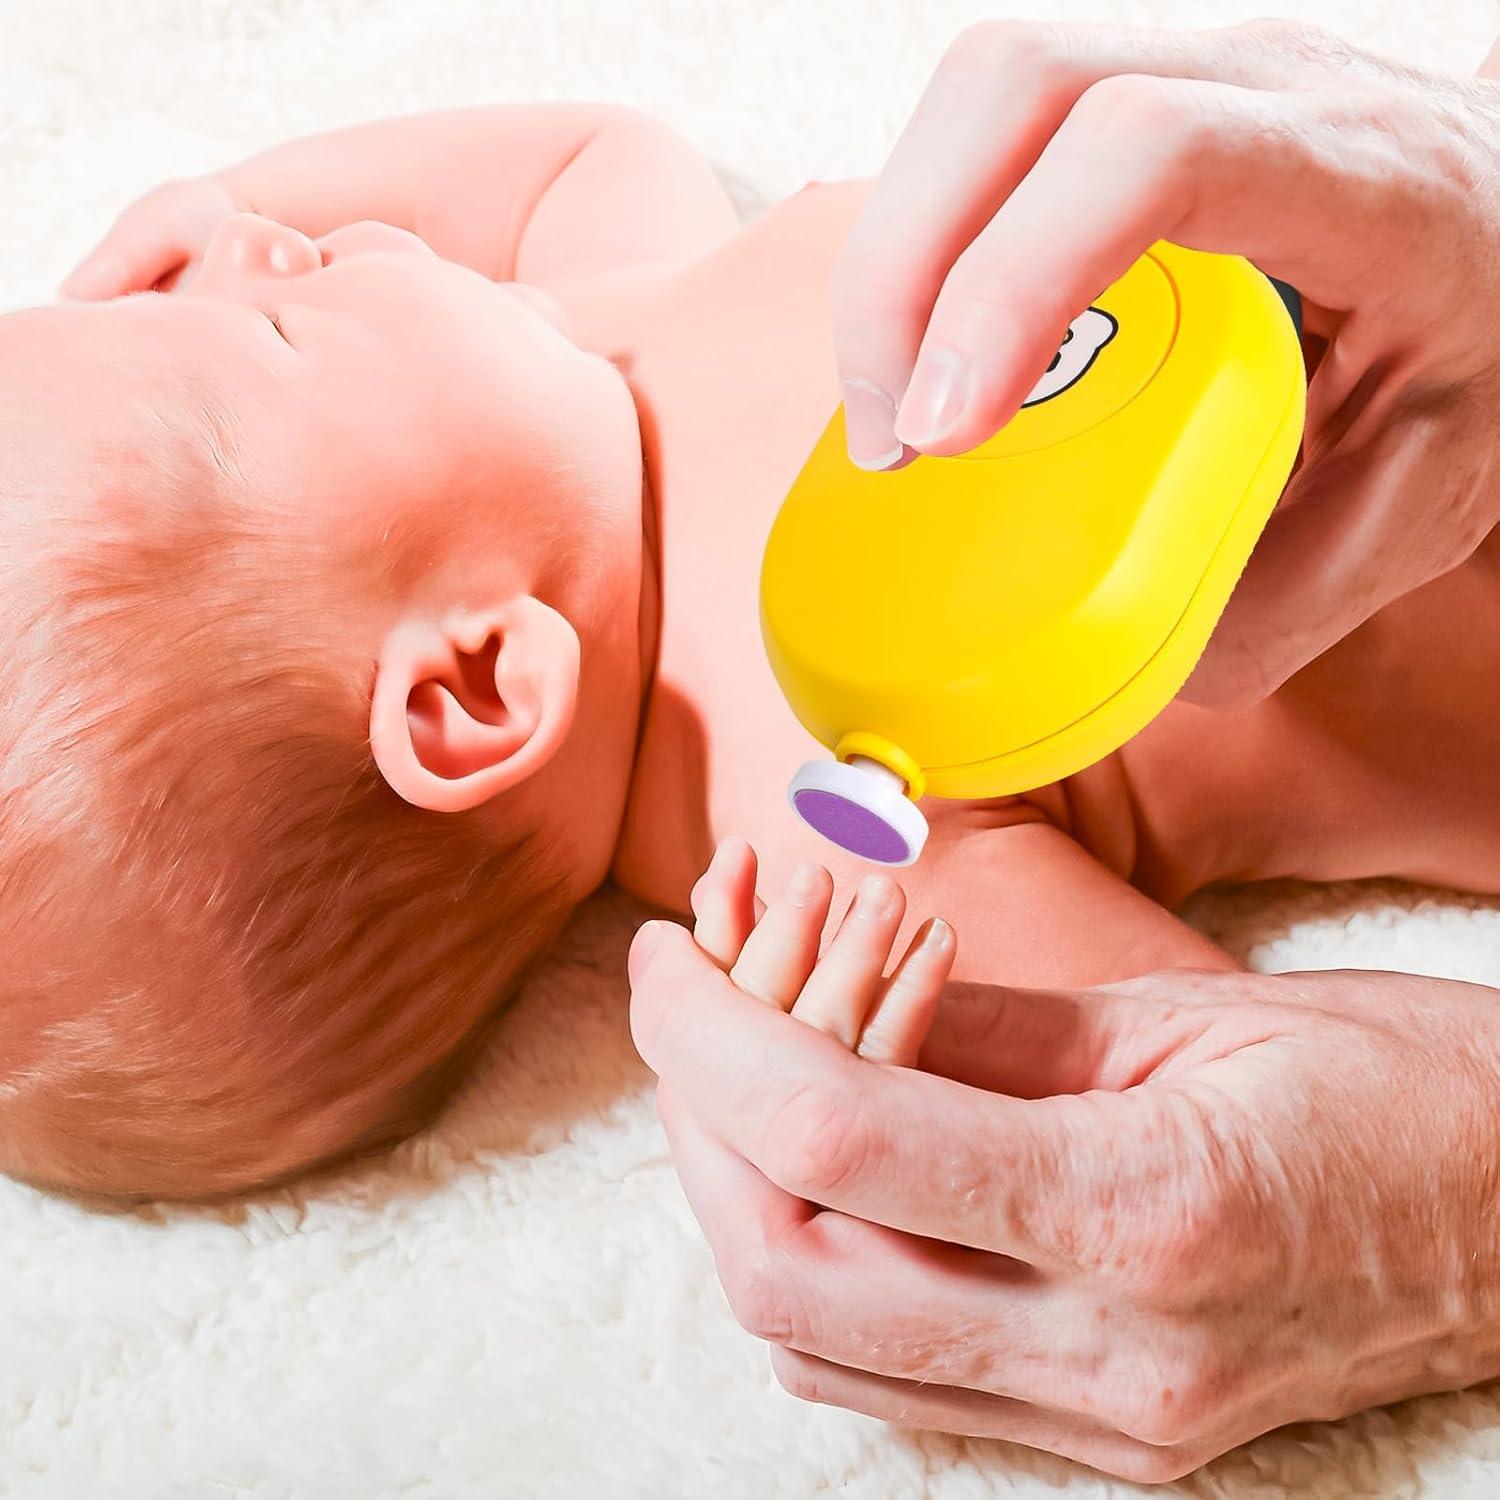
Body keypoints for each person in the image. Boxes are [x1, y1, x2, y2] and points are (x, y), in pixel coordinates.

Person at [624, 17, 1500, 1482]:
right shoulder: (828, 816)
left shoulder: (607, 306)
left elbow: (582, 157)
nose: (279, 258)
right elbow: (1176, 1129)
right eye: (248, 345)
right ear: (468, 688)